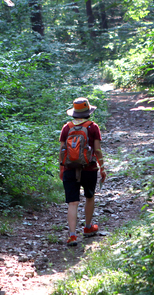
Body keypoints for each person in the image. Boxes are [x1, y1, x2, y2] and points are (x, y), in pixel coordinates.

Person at [59, 97, 107, 246]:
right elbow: (97, 150)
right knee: (89, 197)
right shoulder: (93, 127)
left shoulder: (66, 127)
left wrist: (62, 168)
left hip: (69, 168)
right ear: (88, 112)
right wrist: (102, 167)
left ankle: (72, 236)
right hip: (89, 168)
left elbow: (62, 150)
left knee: (72, 203)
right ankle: (87, 227)